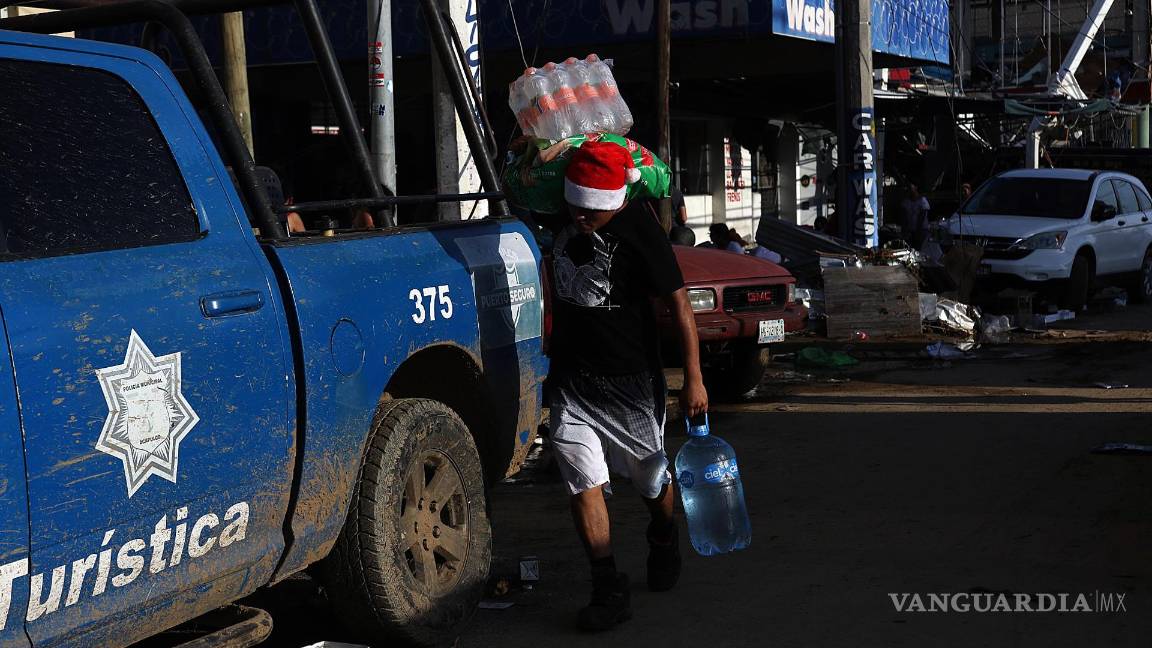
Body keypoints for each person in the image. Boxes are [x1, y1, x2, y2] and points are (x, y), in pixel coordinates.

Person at [547, 141, 708, 631]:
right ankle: (607, 586)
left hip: (632, 384)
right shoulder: (558, 215)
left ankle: (663, 531)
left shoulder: (640, 228)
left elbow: (680, 307)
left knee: (650, 481)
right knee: (583, 482)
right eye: (575, 206)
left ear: (614, 200)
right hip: (572, 380)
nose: (581, 216)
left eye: (591, 210)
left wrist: (693, 379)